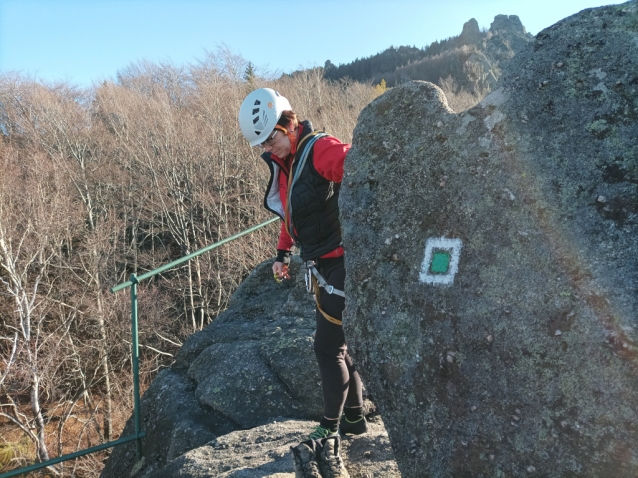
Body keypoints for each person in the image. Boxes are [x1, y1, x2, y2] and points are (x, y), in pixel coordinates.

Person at [239, 88, 367, 441]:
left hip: (342, 263)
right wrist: (283, 254)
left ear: (288, 123)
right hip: (322, 266)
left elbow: (361, 168)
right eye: (262, 144)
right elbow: (290, 215)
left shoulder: (319, 149)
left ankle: (330, 427)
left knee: (327, 350)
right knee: (339, 347)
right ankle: (354, 420)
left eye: (269, 139)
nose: (267, 148)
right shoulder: (287, 164)